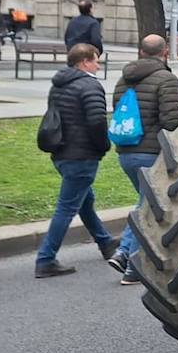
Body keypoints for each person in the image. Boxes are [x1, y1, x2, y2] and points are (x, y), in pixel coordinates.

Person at [34, 43, 118, 277]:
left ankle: (105, 242)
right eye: (95, 60)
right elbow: (97, 122)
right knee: (67, 207)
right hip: (81, 155)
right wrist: (103, 146)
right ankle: (46, 259)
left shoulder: (59, 84)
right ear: (84, 62)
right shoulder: (90, 86)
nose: (98, 65)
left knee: (84, 201)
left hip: (61, 152)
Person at [108, 35, 178, 284]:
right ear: (164, 53)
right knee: (147, 207)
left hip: (125, 152)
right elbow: (171, 121)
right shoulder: (166, 79)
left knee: (146, 205)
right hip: (151, 154)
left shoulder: (123, 78)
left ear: (141, 52)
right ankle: (125, 254)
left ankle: (132, 265)